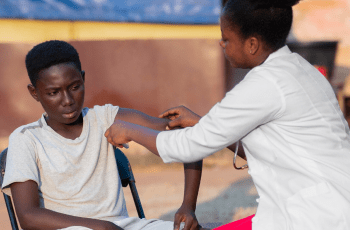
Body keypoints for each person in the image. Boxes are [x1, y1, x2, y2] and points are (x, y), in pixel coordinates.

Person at [104, 0, 350, 229]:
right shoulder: (300, 69)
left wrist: (130, 130)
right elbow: (271, 151)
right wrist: (204, 124)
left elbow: (188, 147)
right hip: (332, 202)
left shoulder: (264, 83)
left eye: (226, 39)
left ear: (251, 44)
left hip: (318, 216)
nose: (221, 45)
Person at [1, 40, 205, 230]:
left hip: (122, 226)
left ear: (83, 79)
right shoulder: (26, 138)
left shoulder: (105, 118)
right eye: (53, 92)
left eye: (74, 87)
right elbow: (28, 216)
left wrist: (188, 205)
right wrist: (100, 227)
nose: (68, 100)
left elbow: (185, 135)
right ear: (34, 92)